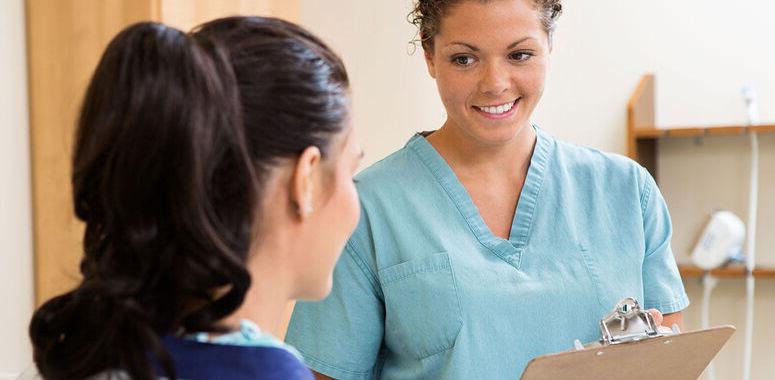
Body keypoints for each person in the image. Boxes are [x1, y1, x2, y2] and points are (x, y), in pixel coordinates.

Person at [284, 1, 689, 379]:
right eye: (464, 59)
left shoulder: (625, 191)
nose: (495, 84)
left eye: (519, 55)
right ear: (429, 56)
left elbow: (669, 361)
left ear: (549, 45)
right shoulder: (367, 207)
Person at [27, 16, 362, 380]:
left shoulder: (83, 355)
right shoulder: (267, 373)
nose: (353, 201)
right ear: (306, 179)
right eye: (350, 170)